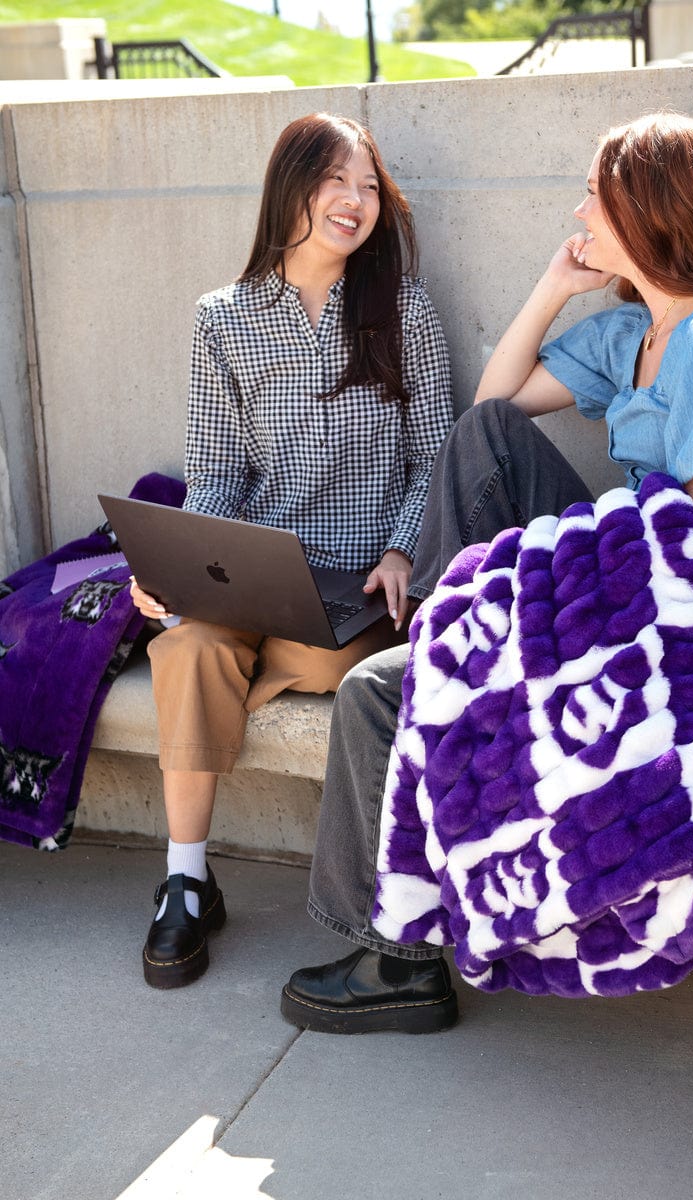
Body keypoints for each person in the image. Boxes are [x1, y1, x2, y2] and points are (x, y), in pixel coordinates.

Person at [279, 111, 693, 1034]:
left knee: (375, 693)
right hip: (619, 586)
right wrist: (553, 286)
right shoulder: (636, 332)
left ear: (646, 213)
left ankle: (400, 963)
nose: (577, 211)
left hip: (669, 639)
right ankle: (451, 652)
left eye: (594, 200)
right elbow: (489, 413)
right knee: (483, 437)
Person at [130, 113, 453, 989]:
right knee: (187, 646)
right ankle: (187, 883)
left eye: (369, 187)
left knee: (315, 654)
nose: (355, 202)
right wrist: (175, 570)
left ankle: (250, 661)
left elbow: (436, 458)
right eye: (334, 183)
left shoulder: (404, 313)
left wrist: (398, 551)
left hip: (357, 587)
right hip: (251, 574)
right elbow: (216, 475)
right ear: (291, 190)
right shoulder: (223, 320)